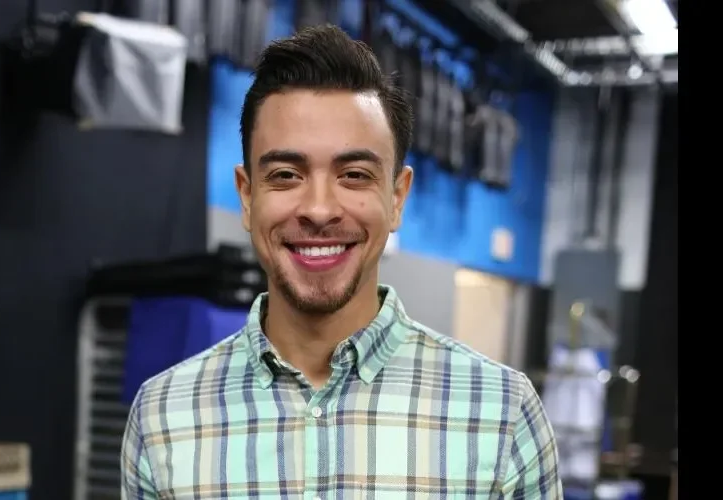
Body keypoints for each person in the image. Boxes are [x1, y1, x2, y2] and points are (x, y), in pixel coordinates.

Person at [121, 25, 562, 500]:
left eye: (353, 175)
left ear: (397, 197)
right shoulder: (163, 417)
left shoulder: (502, 416)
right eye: (286, 174)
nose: (319, 209)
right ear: (247, 197)